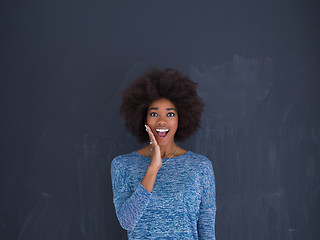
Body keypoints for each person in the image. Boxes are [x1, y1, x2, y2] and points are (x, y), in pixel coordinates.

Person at [111, 68, 216, 239]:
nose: (162, 121)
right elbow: (127, 222)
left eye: (170, 114)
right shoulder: (122, 165)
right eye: (154, 113)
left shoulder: (200, 167)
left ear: (179, 119)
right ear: (144, 119)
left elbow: (207, 231)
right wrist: (153, 168)